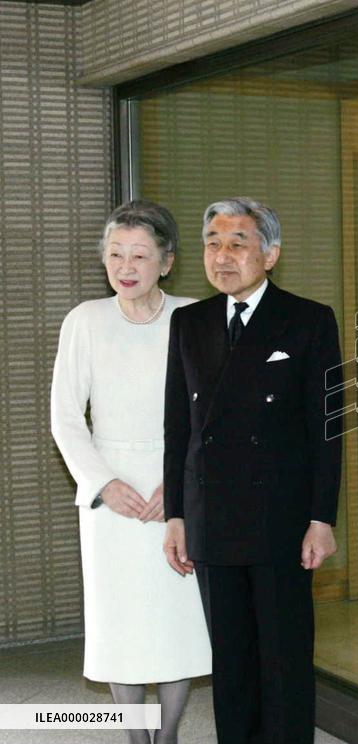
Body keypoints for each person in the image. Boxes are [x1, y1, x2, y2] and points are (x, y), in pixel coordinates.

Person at [162, 197, 343, 744]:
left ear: (271, 254)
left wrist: (321, 517)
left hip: (280, 519)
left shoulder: (307, 319)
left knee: (284, 661)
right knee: (232, 664)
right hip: (211, 514)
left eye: (238, 243)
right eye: (213, 243)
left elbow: (326, 427)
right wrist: (175, 515)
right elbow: (178, 427)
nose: (223, 256)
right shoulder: (189, 321)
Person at [51, 200, 211, 744]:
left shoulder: (195, 317)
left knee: (176, 624)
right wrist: (101, 484)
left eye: (139, 255)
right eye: (115, 254)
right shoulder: (85, 321)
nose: (125, 266)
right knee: (119, 626)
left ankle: (165, 736)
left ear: (166, 261)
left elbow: (209, 415)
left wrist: (182, 485)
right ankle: (135, 738)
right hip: (109, 497)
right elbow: (66, 418)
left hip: (177, 489)